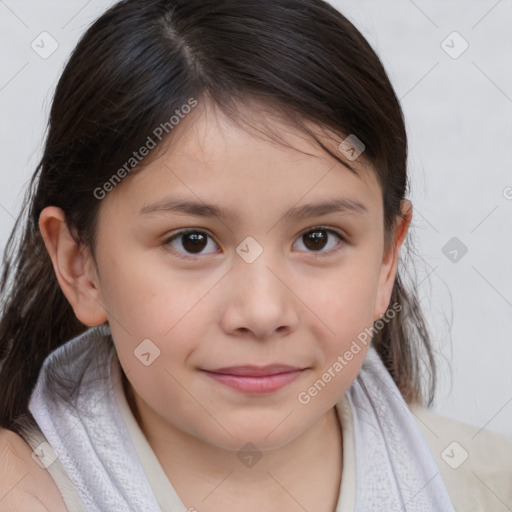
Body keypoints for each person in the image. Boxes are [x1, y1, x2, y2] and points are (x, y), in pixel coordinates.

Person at [0, 0, 511, 510]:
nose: (263, 312)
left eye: (318, 239)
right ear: (79, 264)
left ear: (385, 260)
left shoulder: (487, 486)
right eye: (192, 241)